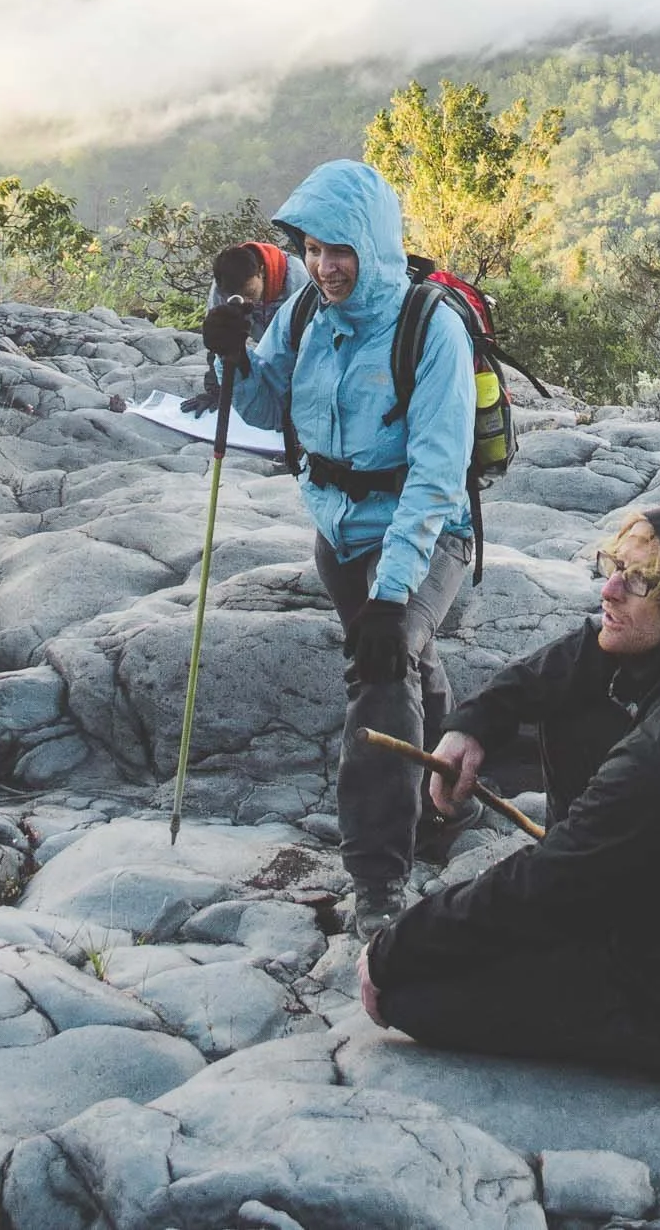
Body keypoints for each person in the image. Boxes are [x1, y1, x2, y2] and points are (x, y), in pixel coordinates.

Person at [357, 499, 660, 1080]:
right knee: (576, 698)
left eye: (641, 581)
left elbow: (546, 880)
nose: (610, 590)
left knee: (408, 997)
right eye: (614, 566)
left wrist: (393, 949)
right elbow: (573, 657)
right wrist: (471, 726)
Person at [223, 158, 477, 936]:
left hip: (425, 538)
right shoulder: (305, 314)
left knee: (384, 668)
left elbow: (437, 477)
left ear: (372, 243)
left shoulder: (429, 328)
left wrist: (394, 593)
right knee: (411, 666)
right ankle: (444, 803)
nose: (325, 265)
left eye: (340, 249)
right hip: (339, 538)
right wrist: (231, 353)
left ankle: (377, 883)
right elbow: (267, 408)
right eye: (312, 249)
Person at [193, 239, 308, 410]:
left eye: (249, 293)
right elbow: (220, 341)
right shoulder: (221, 287)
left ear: (260, 272)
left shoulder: (296, 278)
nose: (246, 302)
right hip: (263, 342)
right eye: (236, 297)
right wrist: (216, 390)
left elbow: (309, 339)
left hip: (298, 345)